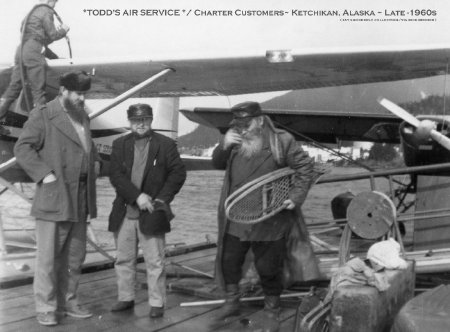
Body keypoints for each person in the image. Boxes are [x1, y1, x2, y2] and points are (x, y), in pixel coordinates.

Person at [212, 101, 321, 327]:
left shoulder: (281, 140)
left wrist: (296, 196)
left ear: (260, 120)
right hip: (236, 217)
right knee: (229, 261)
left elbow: (305, 168)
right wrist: (223, 146)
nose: (242, 129)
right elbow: (217, 164)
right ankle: (232, 303)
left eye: (246, 123)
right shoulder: (233, 139)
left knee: (268, 267)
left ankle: (272, 310)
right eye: (238, 124)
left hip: (269, 216)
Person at [14, 70, 100, 326]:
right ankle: (47, 308)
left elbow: (87, 150)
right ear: (63, 91)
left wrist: (95, 164)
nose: (82, 98)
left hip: (80, 199)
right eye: (77, 93)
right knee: (48, 260)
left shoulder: (83, 117)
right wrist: (44, 175)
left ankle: (69, 301)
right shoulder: (43, 115)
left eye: (84, 94)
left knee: (75, 258)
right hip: (54, 198)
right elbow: (22, 147)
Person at [108, 103, 186, 318]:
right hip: (124, 211)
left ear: (151, 120)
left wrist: (162, 198)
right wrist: (137, 196)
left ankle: (157, 302)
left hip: (152, 211)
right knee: (123, 259)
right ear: (129, 122)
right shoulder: (119, 144)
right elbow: (116, 175)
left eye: (144, 119)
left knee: (155, 261)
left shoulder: (166, 144)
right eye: (135, 120)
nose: (140, 124)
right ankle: (125, 298)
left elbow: (178, 174)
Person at [0, 0, 69, 134]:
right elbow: (53, 35)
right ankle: (40, 129)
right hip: (32, 49)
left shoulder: (30, 14)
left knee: (13, 89)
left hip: (21, 49)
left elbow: (37, 36)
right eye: (55, 3)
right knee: (38, 90)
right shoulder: (46, 11)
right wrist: (64, 30)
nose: (55, 6)